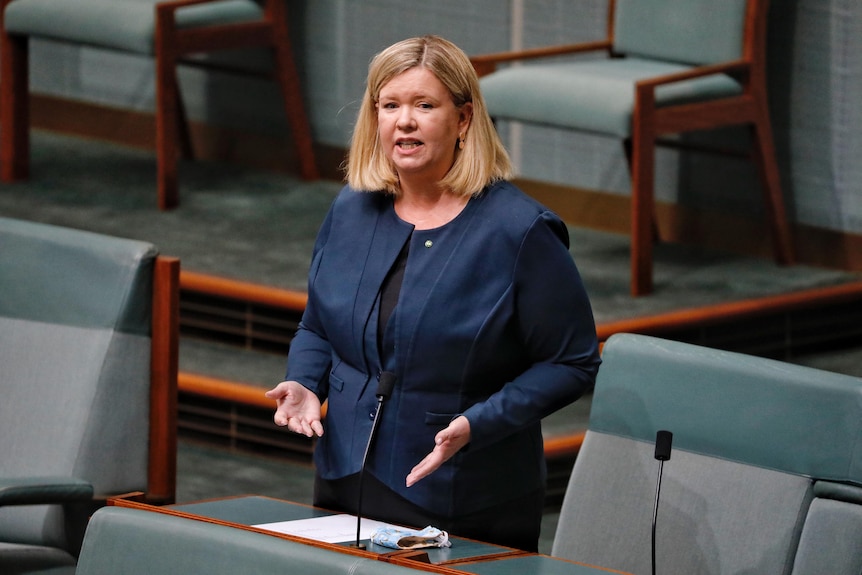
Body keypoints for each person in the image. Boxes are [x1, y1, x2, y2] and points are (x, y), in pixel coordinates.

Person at [266, 35, 600, 552]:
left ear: (463, 120)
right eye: (390, 105)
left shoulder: (520, 231)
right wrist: (305, 381)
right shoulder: (352, 208)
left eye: (424, 105)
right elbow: (318, 324)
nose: (405, 121)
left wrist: (478, 423)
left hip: (459, 487)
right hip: (345, 474)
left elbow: (571, 362)